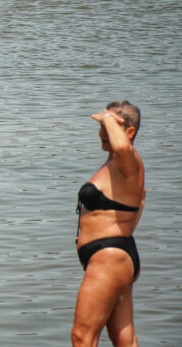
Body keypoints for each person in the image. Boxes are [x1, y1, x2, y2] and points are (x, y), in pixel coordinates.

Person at [72, 101, 145, 347]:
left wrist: (107, 117)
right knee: (124, 339)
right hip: (115, 254)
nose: (103, 132)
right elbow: (140, 204)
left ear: (130, 132)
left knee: (82, 338)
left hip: (110, 258)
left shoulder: (129, 160)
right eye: (101, 126)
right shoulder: (115, 165)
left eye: (109, 126)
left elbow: (122, 146)